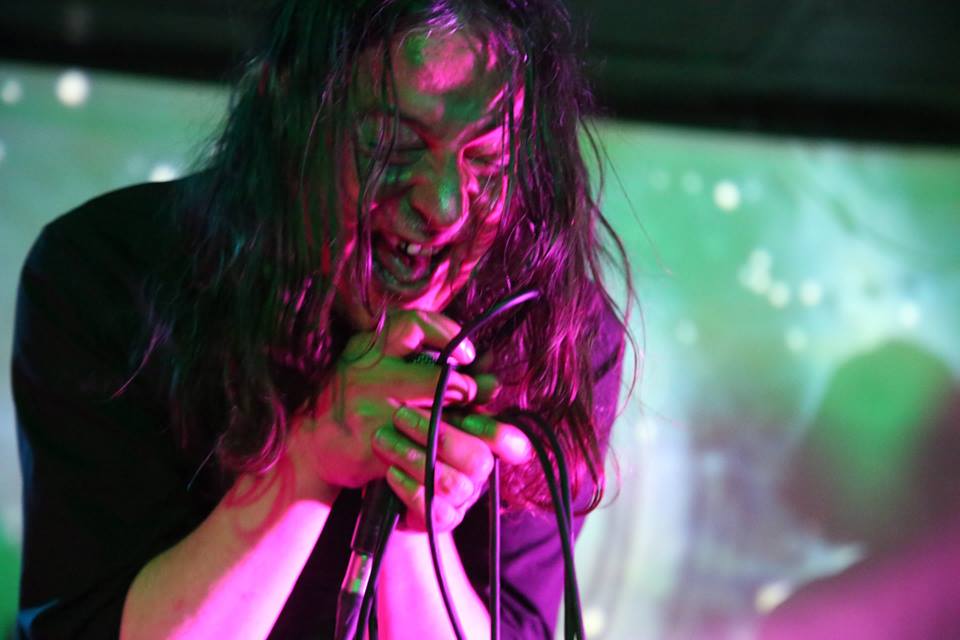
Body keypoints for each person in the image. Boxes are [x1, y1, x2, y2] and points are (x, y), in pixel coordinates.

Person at [13, 1, 630, 638]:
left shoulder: (551, 336)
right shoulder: (109, 275)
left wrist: (412, 508)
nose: (444, 206)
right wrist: (308, 463)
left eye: (487, 160)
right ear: (288, 111)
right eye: (392, 143)